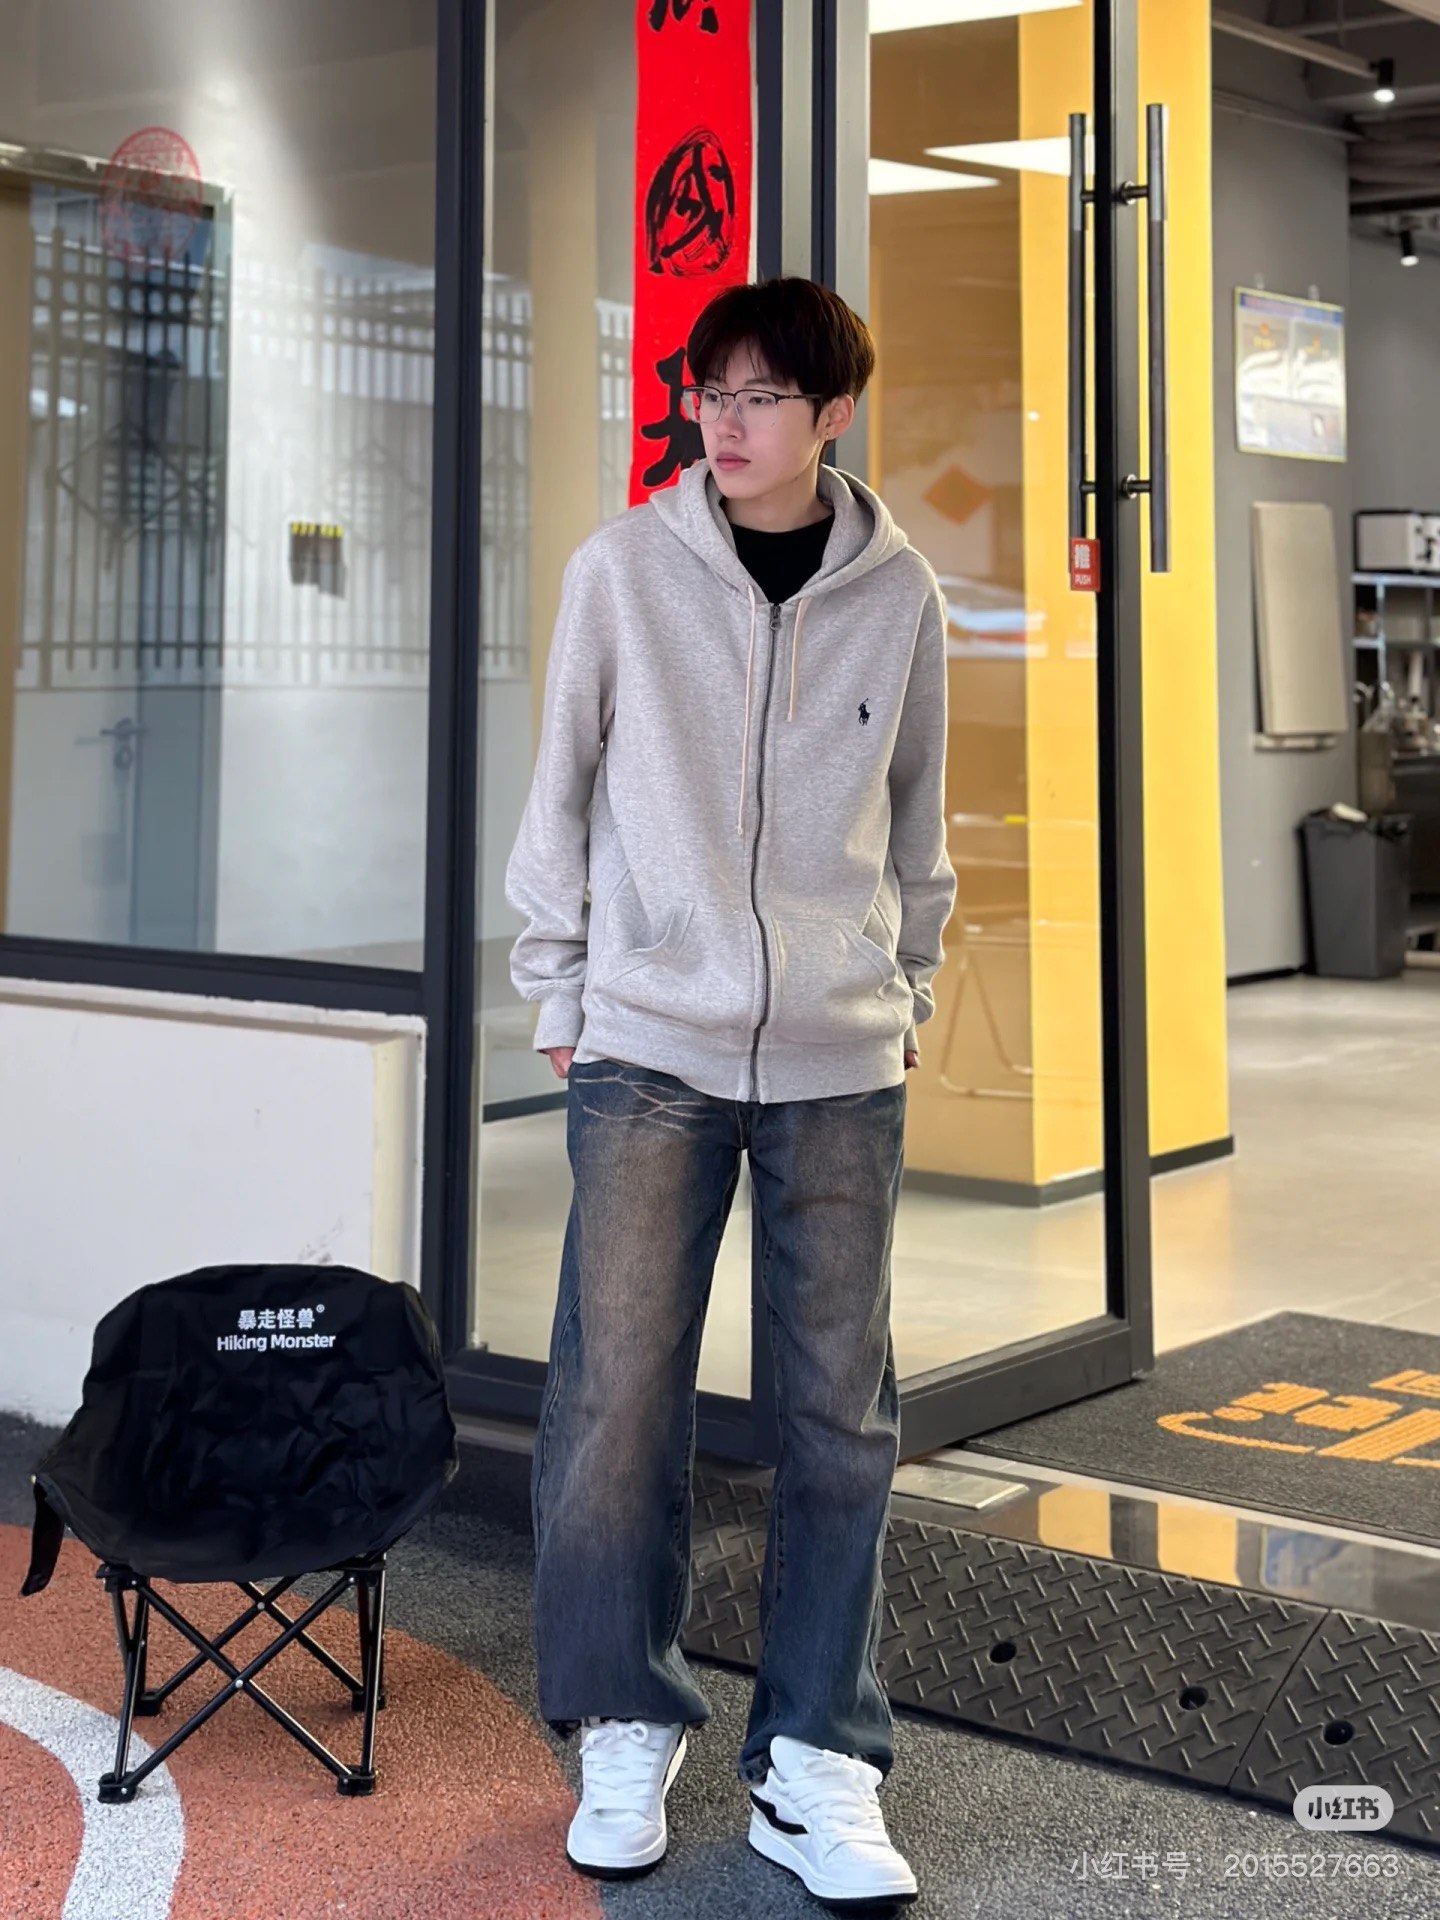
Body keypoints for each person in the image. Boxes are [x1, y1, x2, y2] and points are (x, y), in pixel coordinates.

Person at [503, 274, 954, 1912]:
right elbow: (560, 790)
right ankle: (623, 1717)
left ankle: (817, 1755)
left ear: (835, 415)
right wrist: (561, 986)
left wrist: (906, 989)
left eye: (763, 397)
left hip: (840, 1053)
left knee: (841, 1417)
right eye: (711, 393)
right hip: (650, 1043)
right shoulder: (623, 572)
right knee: (617, 1402)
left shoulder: (900, 592)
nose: (727, 423)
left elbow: (920, 815)